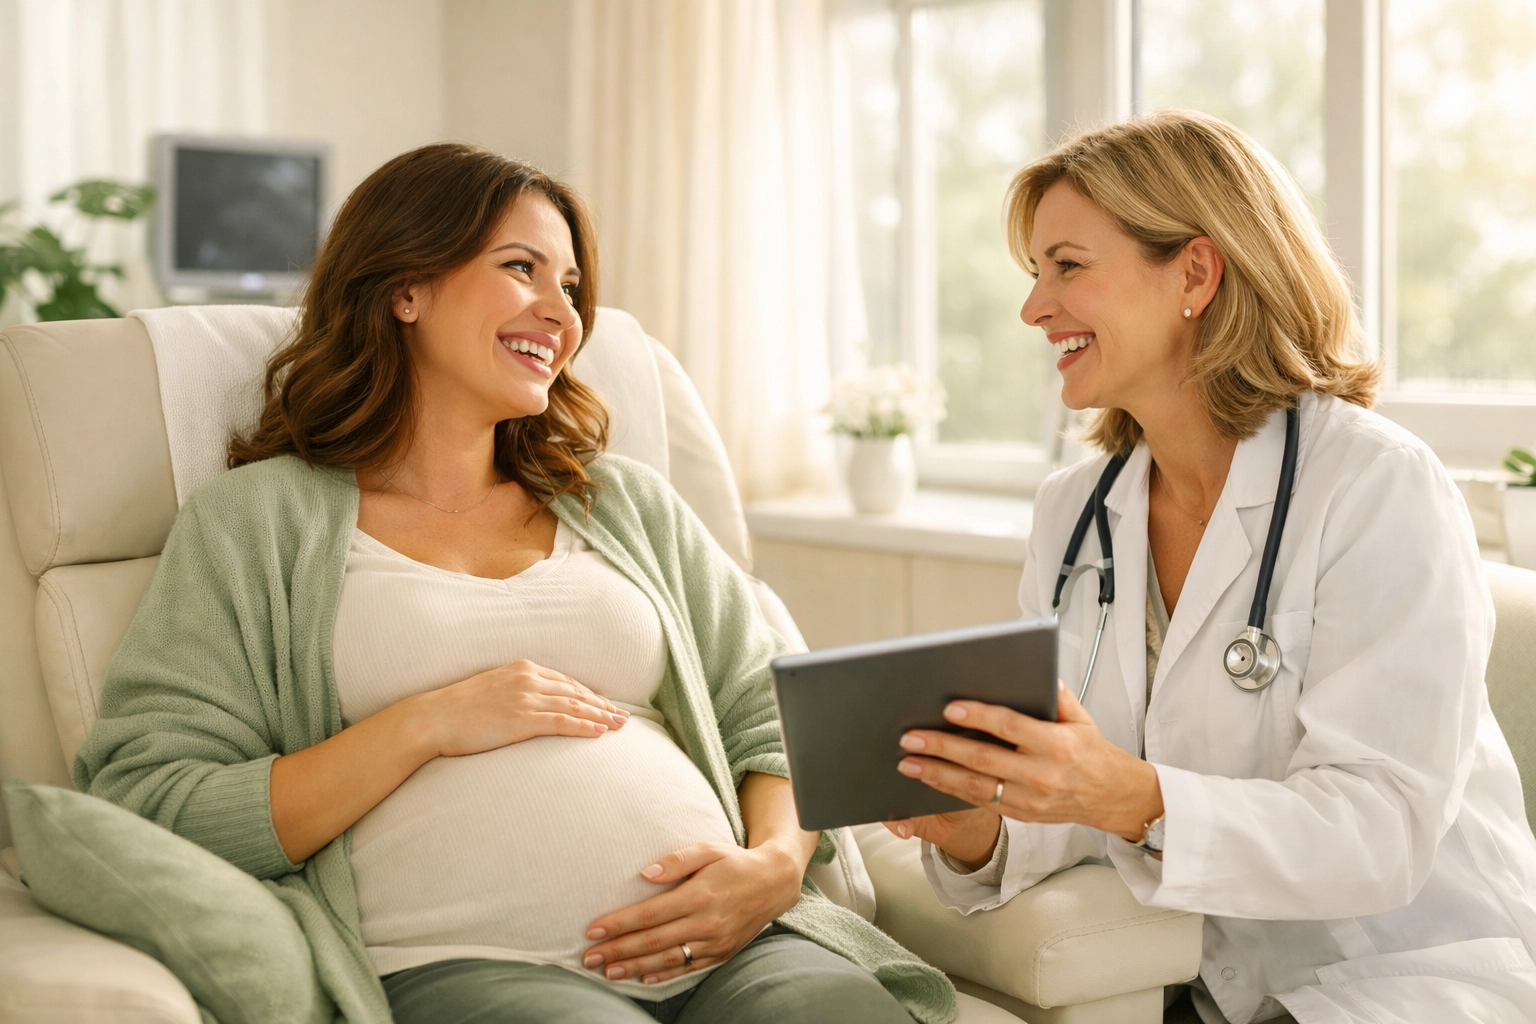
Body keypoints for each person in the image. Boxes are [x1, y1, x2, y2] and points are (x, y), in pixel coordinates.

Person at [73, 144, 952, 1024]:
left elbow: (772, 712)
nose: (560, 313)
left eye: (571, 286)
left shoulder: (622, 501)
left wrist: (770, 867)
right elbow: (155, 798)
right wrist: (428, 722)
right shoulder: (258, 522)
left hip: (739, 947)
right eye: (521, 268)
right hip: (470, 965)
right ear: (404, 289)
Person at [886, 111, 1536, 1024]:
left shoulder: (1377, 485)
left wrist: (1138, 798)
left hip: (1405, 976)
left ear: (1195, 272)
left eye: (1067, 266)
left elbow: (1379, 834)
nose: (1035, 307)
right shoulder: (1074, 513)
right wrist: (980, 831)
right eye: (1036, 274)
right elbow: (1089, 803)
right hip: (1207, 984)